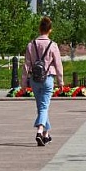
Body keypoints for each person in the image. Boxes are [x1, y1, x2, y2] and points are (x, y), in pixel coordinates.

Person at [25, 16, 63, 146]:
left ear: (39, 28)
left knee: (41, 106)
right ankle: (40, 131)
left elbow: (26, 65)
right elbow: (58, 65)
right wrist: (61, 81)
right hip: (48, 78)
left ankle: (46, 135)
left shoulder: (31, 45)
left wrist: (23, 82)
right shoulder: (53, 45)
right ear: (50, 30)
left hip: (34, 79)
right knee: (44, 106)